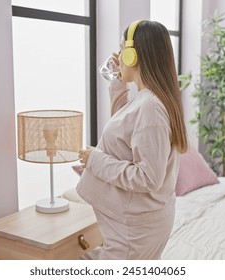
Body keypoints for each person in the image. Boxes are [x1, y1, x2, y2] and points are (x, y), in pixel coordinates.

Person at [76, 20, 188, 260]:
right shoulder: (148, 99)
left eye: (120, 48)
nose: (116, 56)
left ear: (131, 55)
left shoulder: (151, 106)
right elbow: (123, 128)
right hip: (138, 225)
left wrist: (95, 160)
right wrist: (118, 81)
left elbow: (148, 178)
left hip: (134, 231)